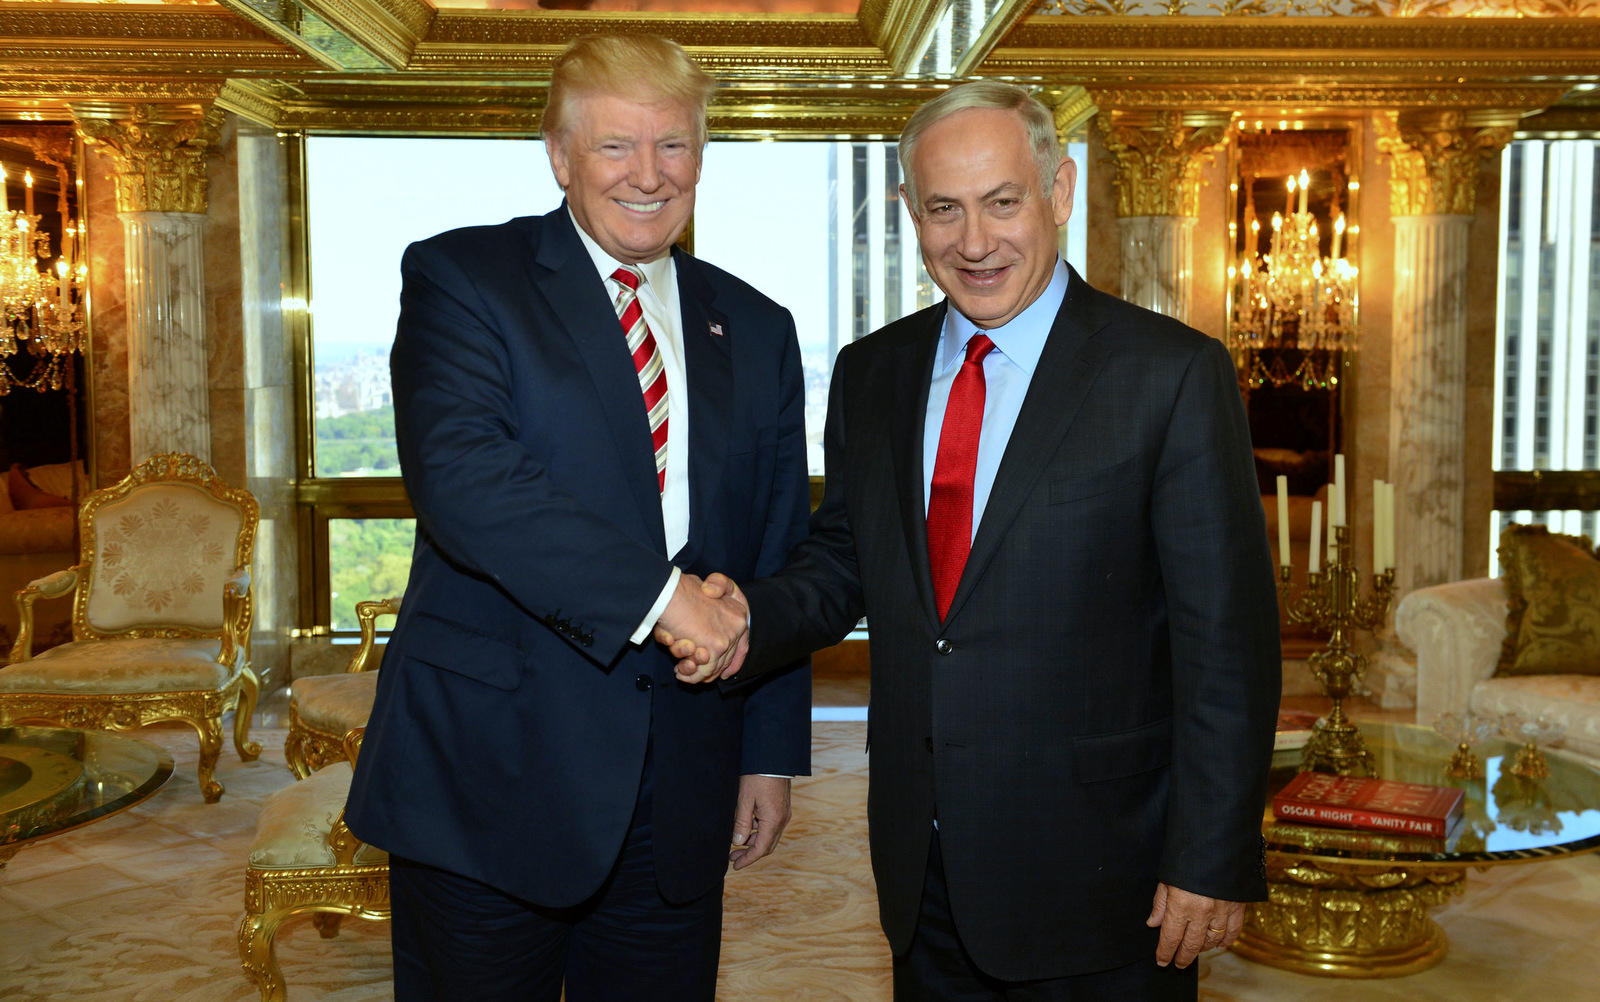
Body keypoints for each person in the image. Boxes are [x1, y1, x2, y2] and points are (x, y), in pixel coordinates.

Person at [666, 81, 1281, 999]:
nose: (975, 241)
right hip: (924, 863)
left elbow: (1227, 644)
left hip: (1107, 869)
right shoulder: (873, 372)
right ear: (912, 213)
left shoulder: (1169, 375)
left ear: (1059, 192)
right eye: (944, 210)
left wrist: (1212, 855)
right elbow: (846, 558)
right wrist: (746, 610)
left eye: (1003, 202)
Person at [344, 33, 812, 1002]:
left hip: (680, 788)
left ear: (701, 156)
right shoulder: (464, 280)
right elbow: (467, 482)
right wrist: (664, 601)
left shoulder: (758, 326)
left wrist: (767, 755)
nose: (648, 175)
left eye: (673, 146)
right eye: (614, 147)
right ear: (559, 156)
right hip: (489, 779)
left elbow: (773, 546)